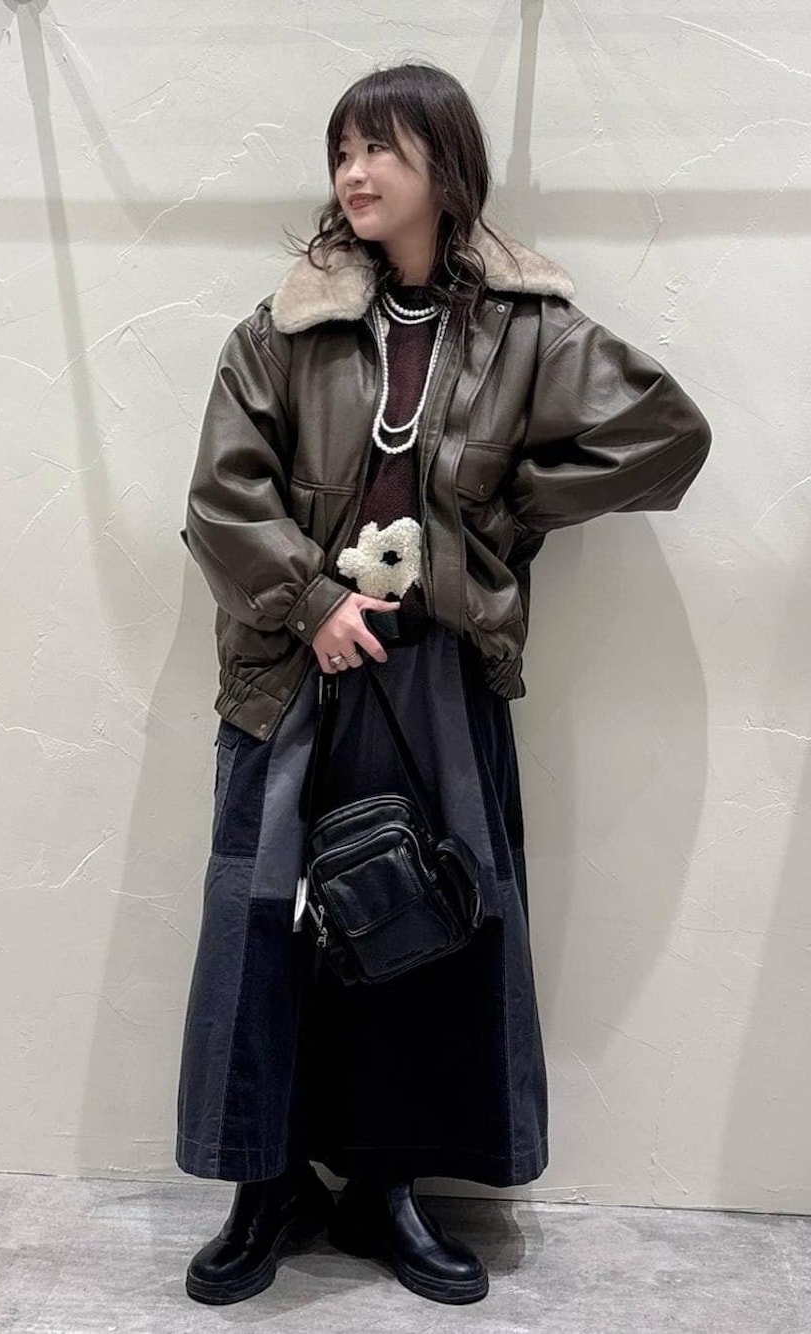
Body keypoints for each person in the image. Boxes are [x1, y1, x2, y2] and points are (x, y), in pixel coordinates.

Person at [174, 61, 712, 1307]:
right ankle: (265, 1186)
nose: (354, 173)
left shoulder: (526, 330)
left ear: (444, 164)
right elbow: (218, 499)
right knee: (266, 923)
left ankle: (387, 1185)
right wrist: (314, 601)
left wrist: (501, 515)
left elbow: (663, 433)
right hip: (291, 672)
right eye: (342, 150)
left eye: (381, 149)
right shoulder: (283, 328)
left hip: (435, 679)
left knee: (423, 932)